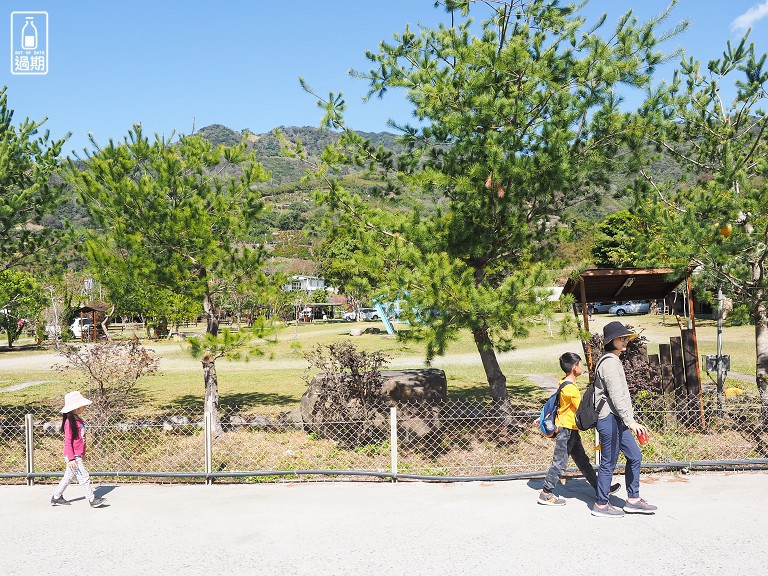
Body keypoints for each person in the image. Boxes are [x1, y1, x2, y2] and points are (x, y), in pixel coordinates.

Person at [591, 321, 657, 517]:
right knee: (608, 462)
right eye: (622, 338)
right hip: (609, 418)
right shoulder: (609, 362)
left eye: (626, 337)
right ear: (612, 341)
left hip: (618, 418)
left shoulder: (613, 359)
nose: (625, 340)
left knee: (634, 456)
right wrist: (631, 421)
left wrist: (628, 419)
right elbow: (616, 395)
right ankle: (601, 504)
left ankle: (633, 500)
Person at [538, 352, 620, 506]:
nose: (582, 367)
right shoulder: (571, 389)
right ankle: (546, 493)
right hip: (566, 430)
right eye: (580, 364)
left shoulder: (564, 383)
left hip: (570, 430)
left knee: (583, 461)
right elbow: (581, 410)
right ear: (575, 367)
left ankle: (601, 488)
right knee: (560, 462)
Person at [50, 391, 106, 508]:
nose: (85, 407)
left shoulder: (78, 420)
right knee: (83, 477)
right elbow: (68, 442)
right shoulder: (69, 423)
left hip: (77, 455)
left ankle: (56, 497)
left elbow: (81, 439)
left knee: (68, 477)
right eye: (82, 405)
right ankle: (92, 499)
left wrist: (82, 453)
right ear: (75, 408)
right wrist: (71, 458)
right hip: (73, 456)